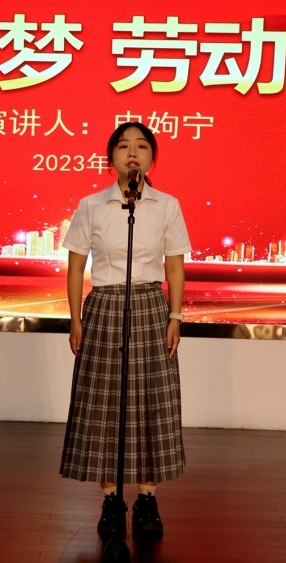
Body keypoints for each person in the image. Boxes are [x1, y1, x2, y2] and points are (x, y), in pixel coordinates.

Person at [59, 122, 191, 539]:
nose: (132, 153)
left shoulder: (166, 206)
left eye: (141, 146)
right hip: (104, 306)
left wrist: (175, 317)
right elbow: (76, 267)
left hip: (150, 306)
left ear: (152, 157)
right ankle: (111, 500)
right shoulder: (92, 205)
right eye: (123, 146)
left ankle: (147, 499)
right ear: (111, 157)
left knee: (151, 401)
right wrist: (76, 318)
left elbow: (174, 266)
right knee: (105, 404)